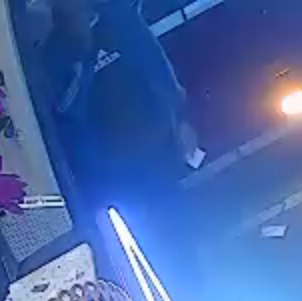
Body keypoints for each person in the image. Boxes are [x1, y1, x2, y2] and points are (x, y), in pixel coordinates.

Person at [42, 0, 203, 210]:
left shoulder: (121, 19)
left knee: (177, 212)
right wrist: (82, 56)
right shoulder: (54, 56)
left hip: (161, 151)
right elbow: (68, 117)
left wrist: (182, 119)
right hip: (116, 176)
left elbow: (157, 66)